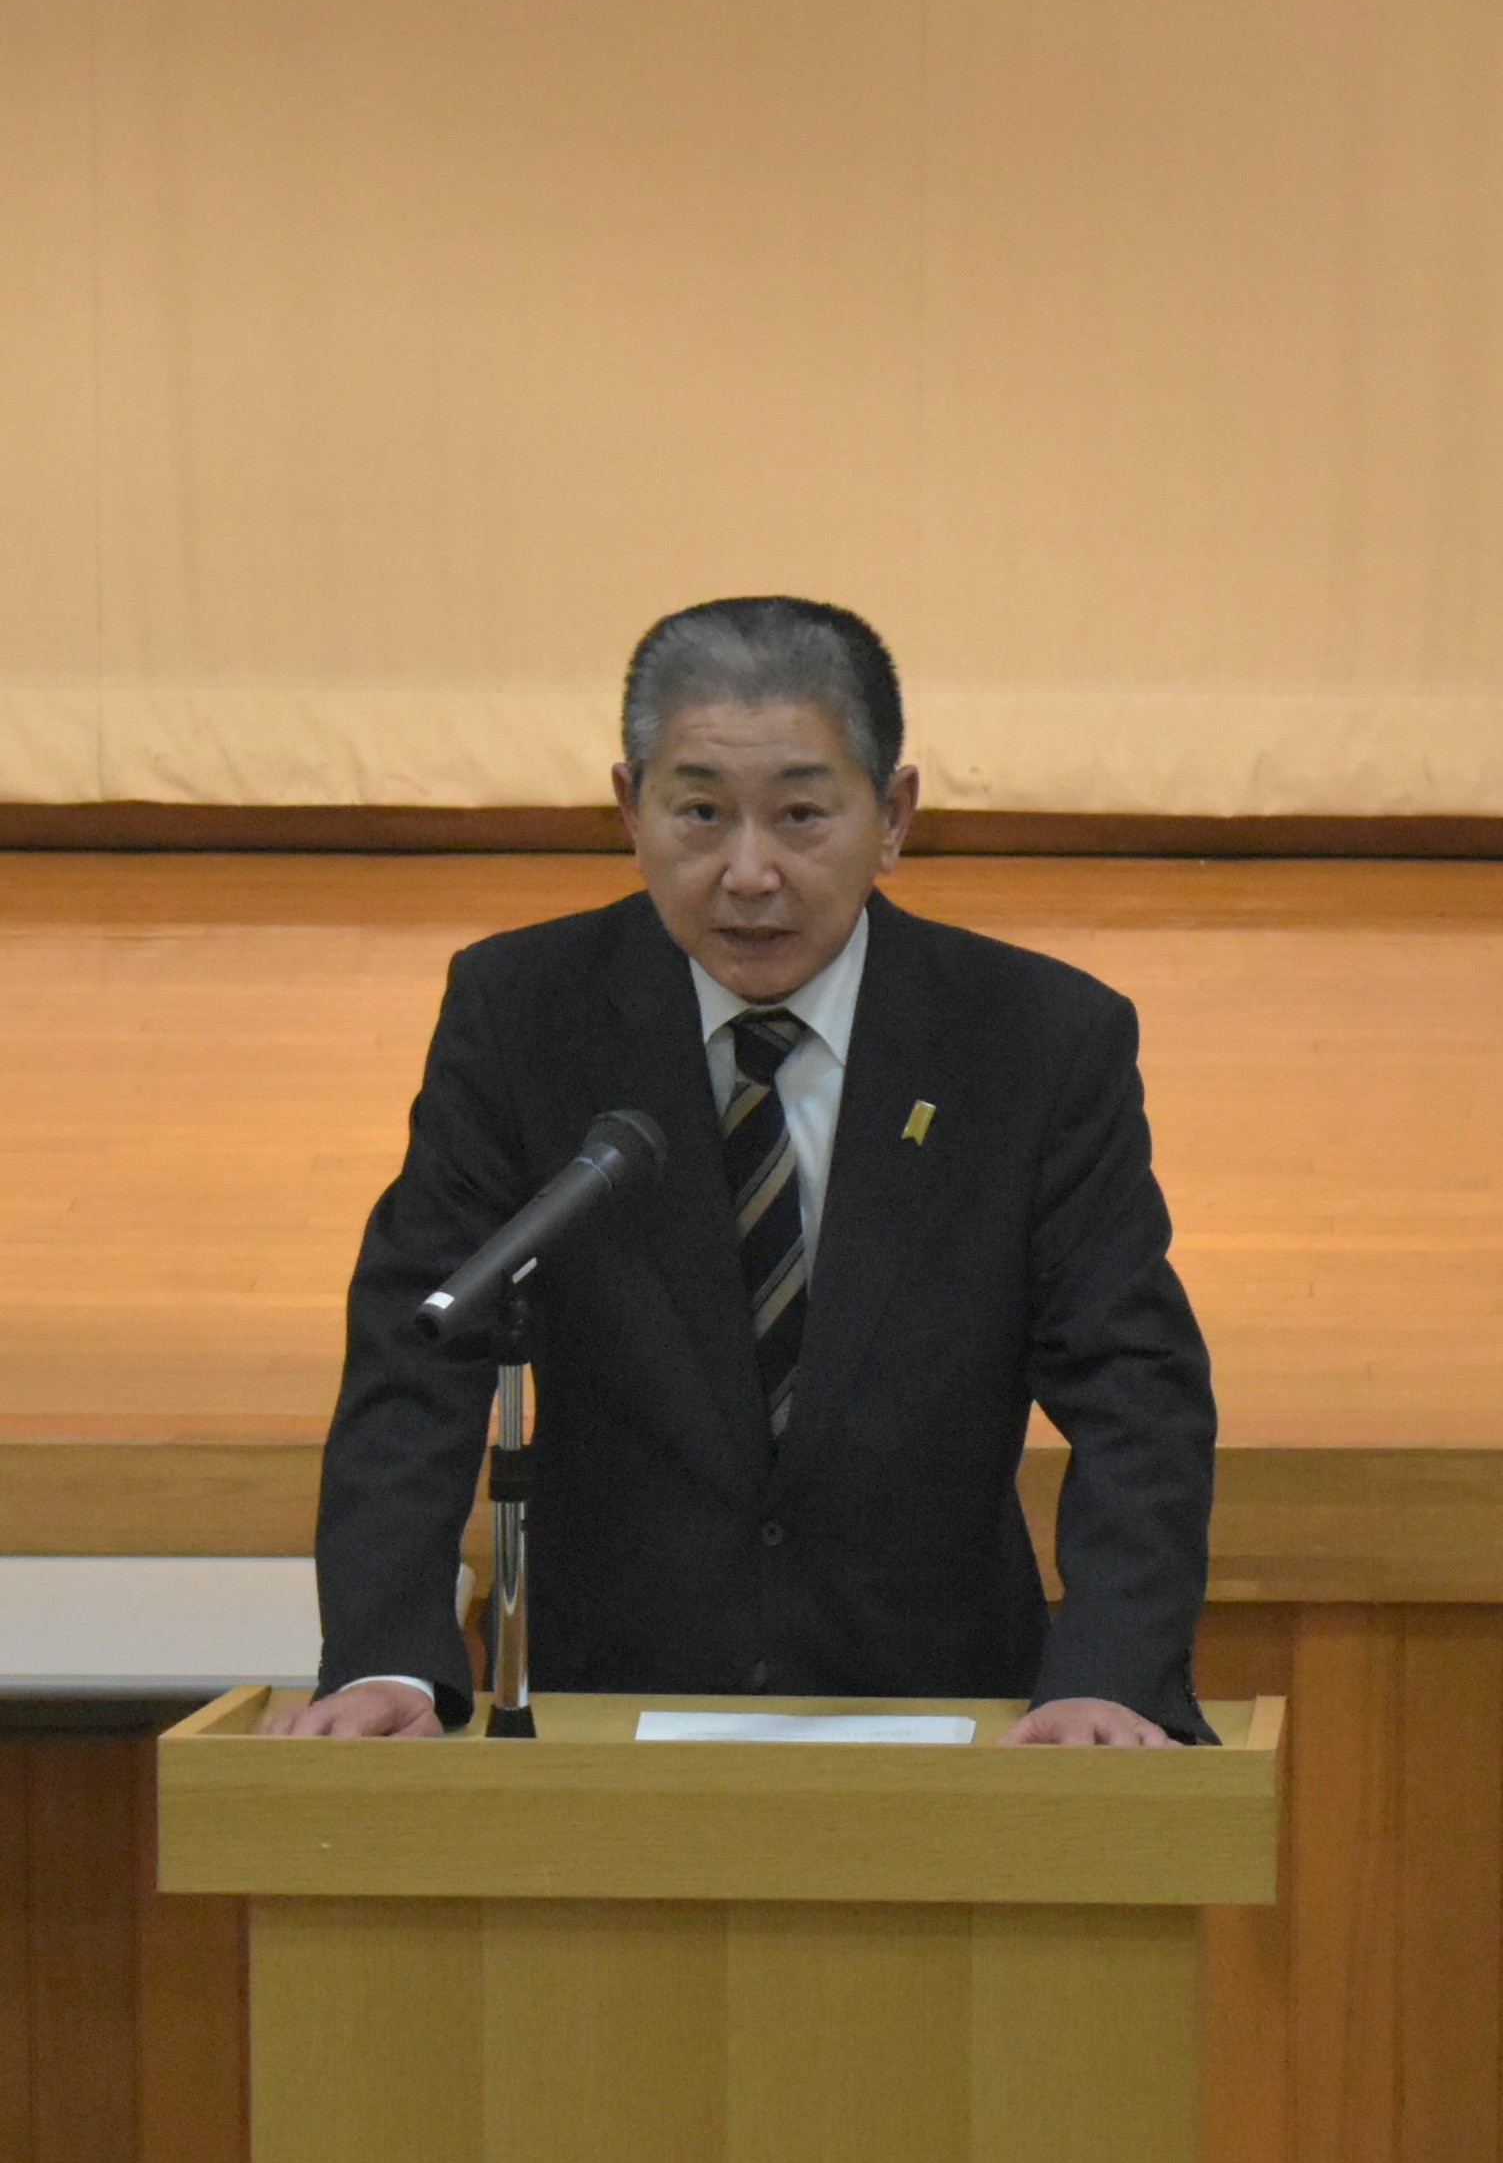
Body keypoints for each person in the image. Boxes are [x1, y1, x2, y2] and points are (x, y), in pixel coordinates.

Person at [269, 596, 1216, 1745]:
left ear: (894, 816)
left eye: (801, 815)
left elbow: (1135, 1389)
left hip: (946, 1711)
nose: (750, 873)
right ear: (631, 808)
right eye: (701, 813)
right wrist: (388, 1658)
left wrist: (1108, 1674)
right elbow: (418, 1352)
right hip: (603, 1715)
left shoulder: (1033, 1039)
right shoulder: (523, 1016)